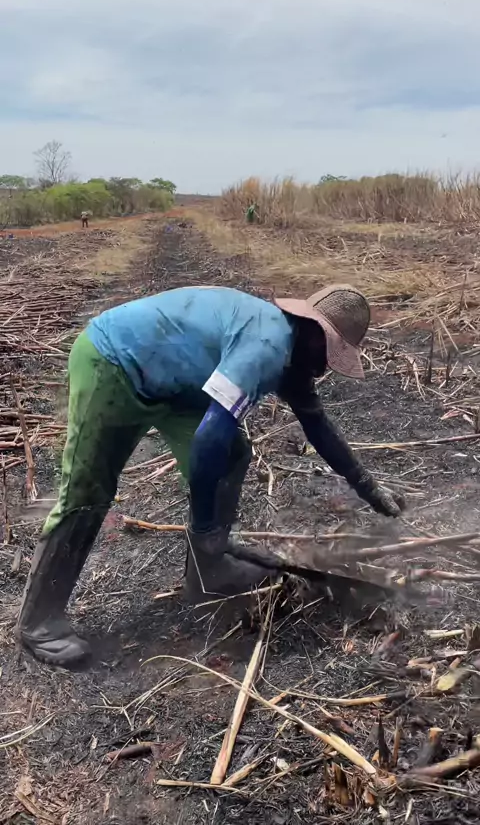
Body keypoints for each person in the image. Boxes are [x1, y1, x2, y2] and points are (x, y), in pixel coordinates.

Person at [17, 284, 405, 666]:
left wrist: (369, 489)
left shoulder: (293, 354)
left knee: (233, 455)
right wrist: (204, 526)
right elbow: (208, 440)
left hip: (174, 384)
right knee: (88, 491)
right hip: (115, 363)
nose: (323, 369)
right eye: (328, 355)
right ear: (314, 334)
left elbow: (318, 427)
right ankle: (39, 622)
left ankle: (208, 570)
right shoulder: (267, 346)